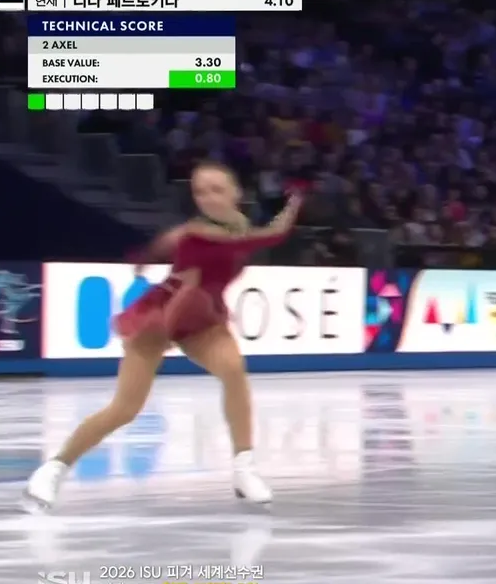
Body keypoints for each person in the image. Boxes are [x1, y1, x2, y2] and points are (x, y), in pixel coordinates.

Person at [22, 163, 304, 512]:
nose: (207, 198)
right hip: (161, 316)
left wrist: (294, 204)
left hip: (202, 319)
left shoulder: (236, 227)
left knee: (233, 370)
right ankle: (54, 469)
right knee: (125, 409)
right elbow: (261, 238)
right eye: (200, 192)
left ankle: (244, 468)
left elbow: (179, 240)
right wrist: (163, 316)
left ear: (236, 193)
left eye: (216, 190)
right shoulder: (201, 232)